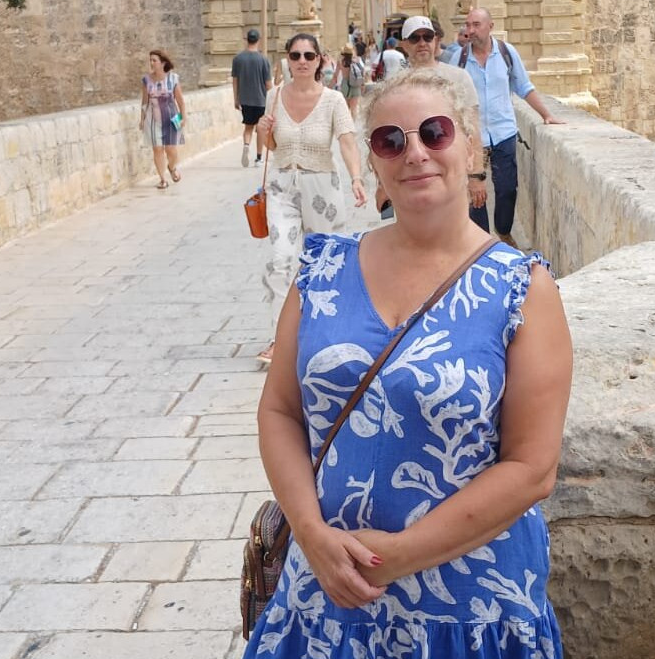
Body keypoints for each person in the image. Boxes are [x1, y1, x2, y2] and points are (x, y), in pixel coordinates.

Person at [245, 67, 573, 659]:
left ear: (470, 147)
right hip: (328, 596)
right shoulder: (321, 269)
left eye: (435, 132)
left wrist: (397, 556)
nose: (415, 152)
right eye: (390, 140)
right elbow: (279, 411)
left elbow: (532, 467)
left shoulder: (523, 288)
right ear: (373, 162)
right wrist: (312, 536)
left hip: (471, 612)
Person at [255, 33, 367, 365]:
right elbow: (273, 146)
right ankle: (280, 340)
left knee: (327, 262)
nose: (302, 61)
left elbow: (347, 141)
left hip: (322, 188)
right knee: (281, 260)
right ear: (287, 60)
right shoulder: (274, 96)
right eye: (295, 55)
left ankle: (329, 333)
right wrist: (263, 132)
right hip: (282, 187)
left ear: (319, 60)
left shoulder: (333, 100)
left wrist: (356, 178)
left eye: (308, 55)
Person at [451, 7, 565, 248]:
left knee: (507, 190)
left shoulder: (506, 53)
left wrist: (546, 114)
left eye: (476, 25)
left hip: (503, 132)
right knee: (476, 194)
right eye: (468, 25)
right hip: (472, 137)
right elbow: (449, 97)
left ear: (490, 26)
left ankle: (503, 230)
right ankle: (482, 244)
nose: (470, 30)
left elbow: (523, 87)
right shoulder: (459, 59)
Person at [374, 15, 486, 218]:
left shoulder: (459, 78)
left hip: (453, 173)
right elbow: (386, 138)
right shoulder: (395, 85)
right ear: (404, 44)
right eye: (415, 38)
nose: (422, 43)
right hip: (414, 177)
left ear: (435, 40)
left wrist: (476, 175)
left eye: (427, 37)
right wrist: (382, 184)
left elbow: (473, 127)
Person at [139, 49, 186, 189]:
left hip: (172, 119)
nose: (151, 63)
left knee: (171, 150)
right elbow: (144, 102)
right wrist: (142, 119)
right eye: (150, 60)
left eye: (154, 60)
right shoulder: (146, 80)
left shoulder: (173, 78)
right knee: (157, 149)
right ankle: (162, 179)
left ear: (162, 63)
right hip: (153, 120)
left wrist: (183, 117)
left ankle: (172, 167)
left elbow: (180, 101)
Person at [231, 29, 272, 168]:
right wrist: (272, 99)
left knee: (248, 127)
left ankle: (246, 146)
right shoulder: (263, 59)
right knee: (260, 129)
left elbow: (235, 81)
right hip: (261, 100)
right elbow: (268, 84)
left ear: (246, 39)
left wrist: (236, 99)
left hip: (245, 99)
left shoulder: (238, 59)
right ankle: (259, 158)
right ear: (258, 40)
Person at [334, 42, 365, 117]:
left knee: (346, 109)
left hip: (345, 85)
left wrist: (330, 86)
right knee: (354, 109)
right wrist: (362, 85)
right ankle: (353, 123)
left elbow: (335, 76)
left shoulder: (340, 62)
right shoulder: (356, 61)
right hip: (355, 84)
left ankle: (347, 123)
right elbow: (362, 73)